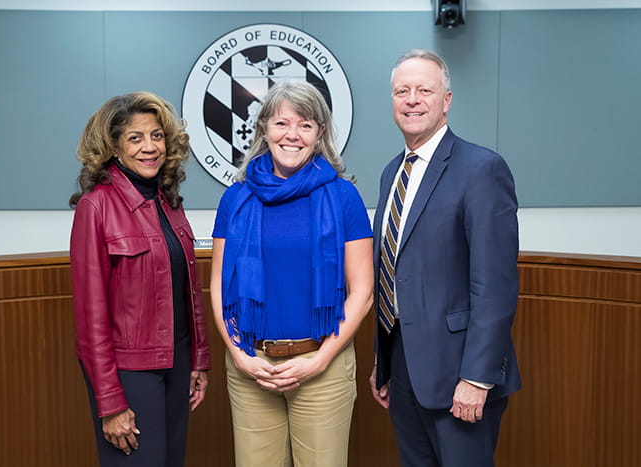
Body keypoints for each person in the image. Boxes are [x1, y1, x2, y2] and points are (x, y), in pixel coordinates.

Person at [210, 80, 374, 467]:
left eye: (305, 125)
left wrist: (320, 360)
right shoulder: (235, 197)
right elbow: (218, 285)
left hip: (322, 366)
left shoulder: (343, 196)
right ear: (264, 127)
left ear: (320, 133)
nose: (292, 135)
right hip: (252, 366)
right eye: (282, 123)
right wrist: (239, 355)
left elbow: (362, 291)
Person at [370, 49, 521, 467]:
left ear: (447, 100)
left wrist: (477, 377)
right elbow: (392, 270)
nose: (412, 99)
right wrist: (384, 362)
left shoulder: (481, 168)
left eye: (424, 90)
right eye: (403, 91)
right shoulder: (391, 173)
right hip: (404, 369)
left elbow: (495, 284)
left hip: (461, 375)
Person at [69, 91, 211, 466]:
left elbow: (187, 292)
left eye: (157, 136)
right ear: (113, 146)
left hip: (177, 365)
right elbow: (91, 320)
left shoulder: (169, 201)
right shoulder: (95, 206)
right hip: (130, 374)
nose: (150, 147)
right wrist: (110, 401)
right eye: (135, 138)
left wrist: (198, 360)